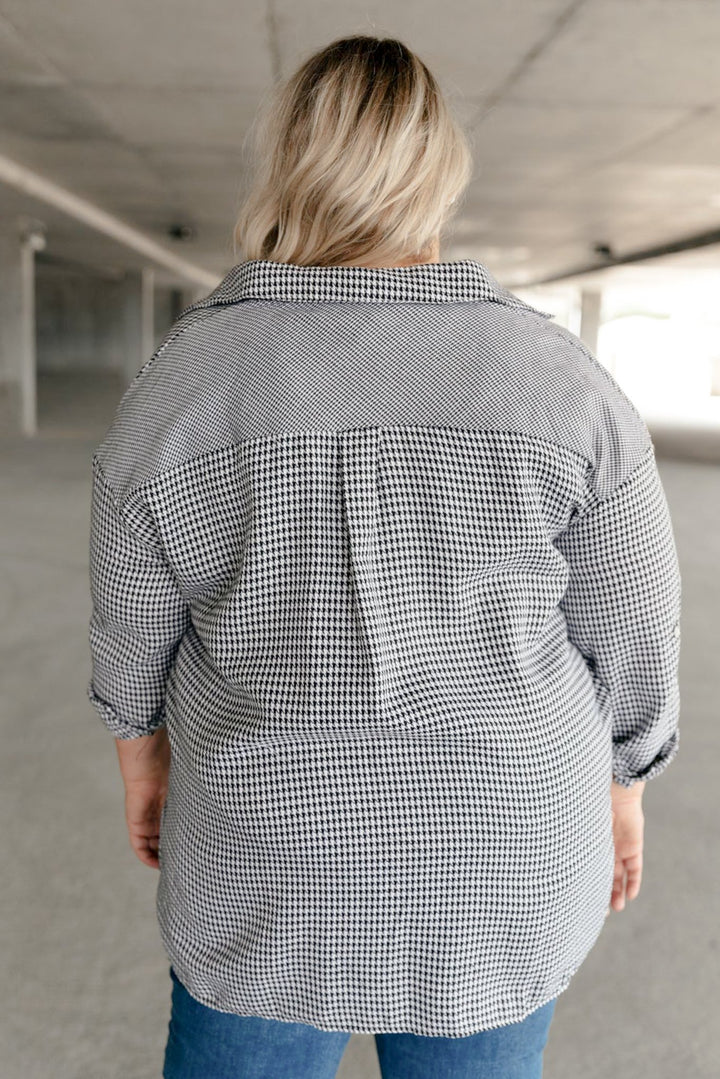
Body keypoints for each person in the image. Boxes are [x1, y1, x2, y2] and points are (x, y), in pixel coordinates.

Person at [86, 34, 681, 1079]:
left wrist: (145, 767)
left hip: (271, 855)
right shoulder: (561, 381)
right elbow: (635, 630)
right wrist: (625, 786)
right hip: (504, 854)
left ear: (285, 163)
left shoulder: (182, 383)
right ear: (439, 173)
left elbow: (131, 624)